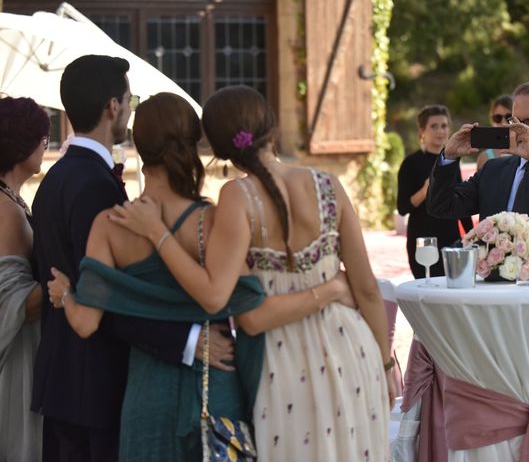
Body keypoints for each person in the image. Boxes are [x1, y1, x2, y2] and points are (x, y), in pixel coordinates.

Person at [46, 92, 354, 461]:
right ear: (192, 145)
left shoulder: (109, 226)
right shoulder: (213, 220)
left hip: (147, 398)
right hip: (216, 390)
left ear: (138, 146)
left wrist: (65, 294)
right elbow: (247, 302)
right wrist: (331, 289)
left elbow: (85, 323)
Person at [110, 85, 396, 461]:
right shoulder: (330, 185)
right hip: (353, 353)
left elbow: (243, 312)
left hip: (282, 364)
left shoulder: (238, 198)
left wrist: (157, 233)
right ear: (272, 130)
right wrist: (385, 362)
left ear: (220, 150)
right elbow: (368, 291)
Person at [30, 55, 231, 462]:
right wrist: (188, 340)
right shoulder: (95, 189)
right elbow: (105, 301)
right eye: (129, 99)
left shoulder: (55, 178)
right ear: (112, 107)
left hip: (64, 382)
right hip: (96, 386)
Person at [426, 80, 529, 462]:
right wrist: (448, 158)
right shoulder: (495, 171)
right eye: (512, 122)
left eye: (528, 123)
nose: (516, 132)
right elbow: (442, 207)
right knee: (496, 391)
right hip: (494, 304)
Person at [0, 96, 49, 462]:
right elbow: (15, 301)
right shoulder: (7, 211)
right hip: (14, 358)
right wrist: (71, 283)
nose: (46, 145)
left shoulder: (12, 200)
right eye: (43, 137)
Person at [396, 104, 473, 279]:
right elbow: (402, 207)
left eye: (444, 126)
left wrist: (472, 237)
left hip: (452, 241)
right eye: (434, 126)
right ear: (422, 131)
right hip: (423, 242)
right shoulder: (411, 163)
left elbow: (460, 201)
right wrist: (425, 190)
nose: (440, 131)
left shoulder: (451, 160)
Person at [475, 94, 513, 171]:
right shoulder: (484, 157)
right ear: (492, 120)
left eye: (508, 117)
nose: (503, 122)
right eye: (498, 118)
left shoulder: (525, 153)